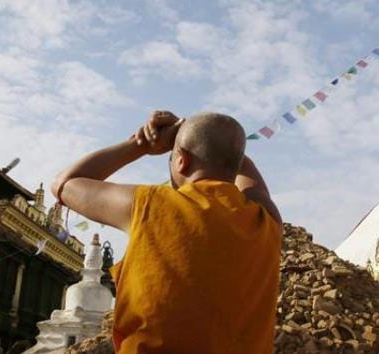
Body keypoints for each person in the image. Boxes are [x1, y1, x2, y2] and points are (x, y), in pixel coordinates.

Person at [51, 110, 282, 353]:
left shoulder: (148, 205)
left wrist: (141, 144)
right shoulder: (266, 221)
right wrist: (203, 141)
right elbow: (238, 165)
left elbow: (64, 184)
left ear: (181, 161)